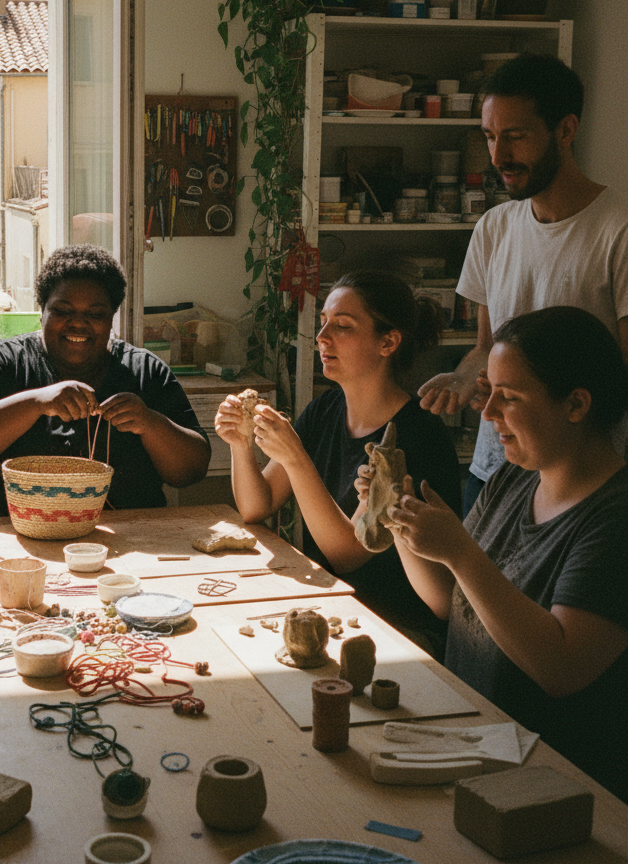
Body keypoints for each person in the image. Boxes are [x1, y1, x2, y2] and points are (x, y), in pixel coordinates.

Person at [381, 307, 628, 802]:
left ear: (577, 404)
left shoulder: (614, 518)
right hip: (478, 752)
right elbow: (453, 602)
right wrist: (398, 520)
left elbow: (562, 667)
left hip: (555, 791)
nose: (487, 410)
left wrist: (461, 552)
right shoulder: (517, 477)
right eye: (488, 390)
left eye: (509, 397)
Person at [418, 53, 628, 516]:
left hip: (581, 484)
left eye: (515, 137)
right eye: (491, 137)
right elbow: (487, 346)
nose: (498, 157)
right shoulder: (494, 227)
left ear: (566, 130)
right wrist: (465, 375)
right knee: (460, 590)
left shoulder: (618, 230)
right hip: (494, 471)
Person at [215, 270, 461, 657]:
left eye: (342, 326)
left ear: (388, 342)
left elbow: (347, 554)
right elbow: (255, 505)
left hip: (397, 626)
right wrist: (240, 444)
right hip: (335, 607)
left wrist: (296, 458)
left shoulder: (413, 436)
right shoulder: (326, 409)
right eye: (324, 322)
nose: (322, 337)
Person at [0, 244, 211, 517]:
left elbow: (192, 471)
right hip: (8, 542)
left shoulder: (143, 371)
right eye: (63, 311)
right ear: (42, 311)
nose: (78, 323)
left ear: (112, 317)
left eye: (95, 314)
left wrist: (151, 423)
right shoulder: (3, 361)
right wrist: (34, 403)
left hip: (128, 543)